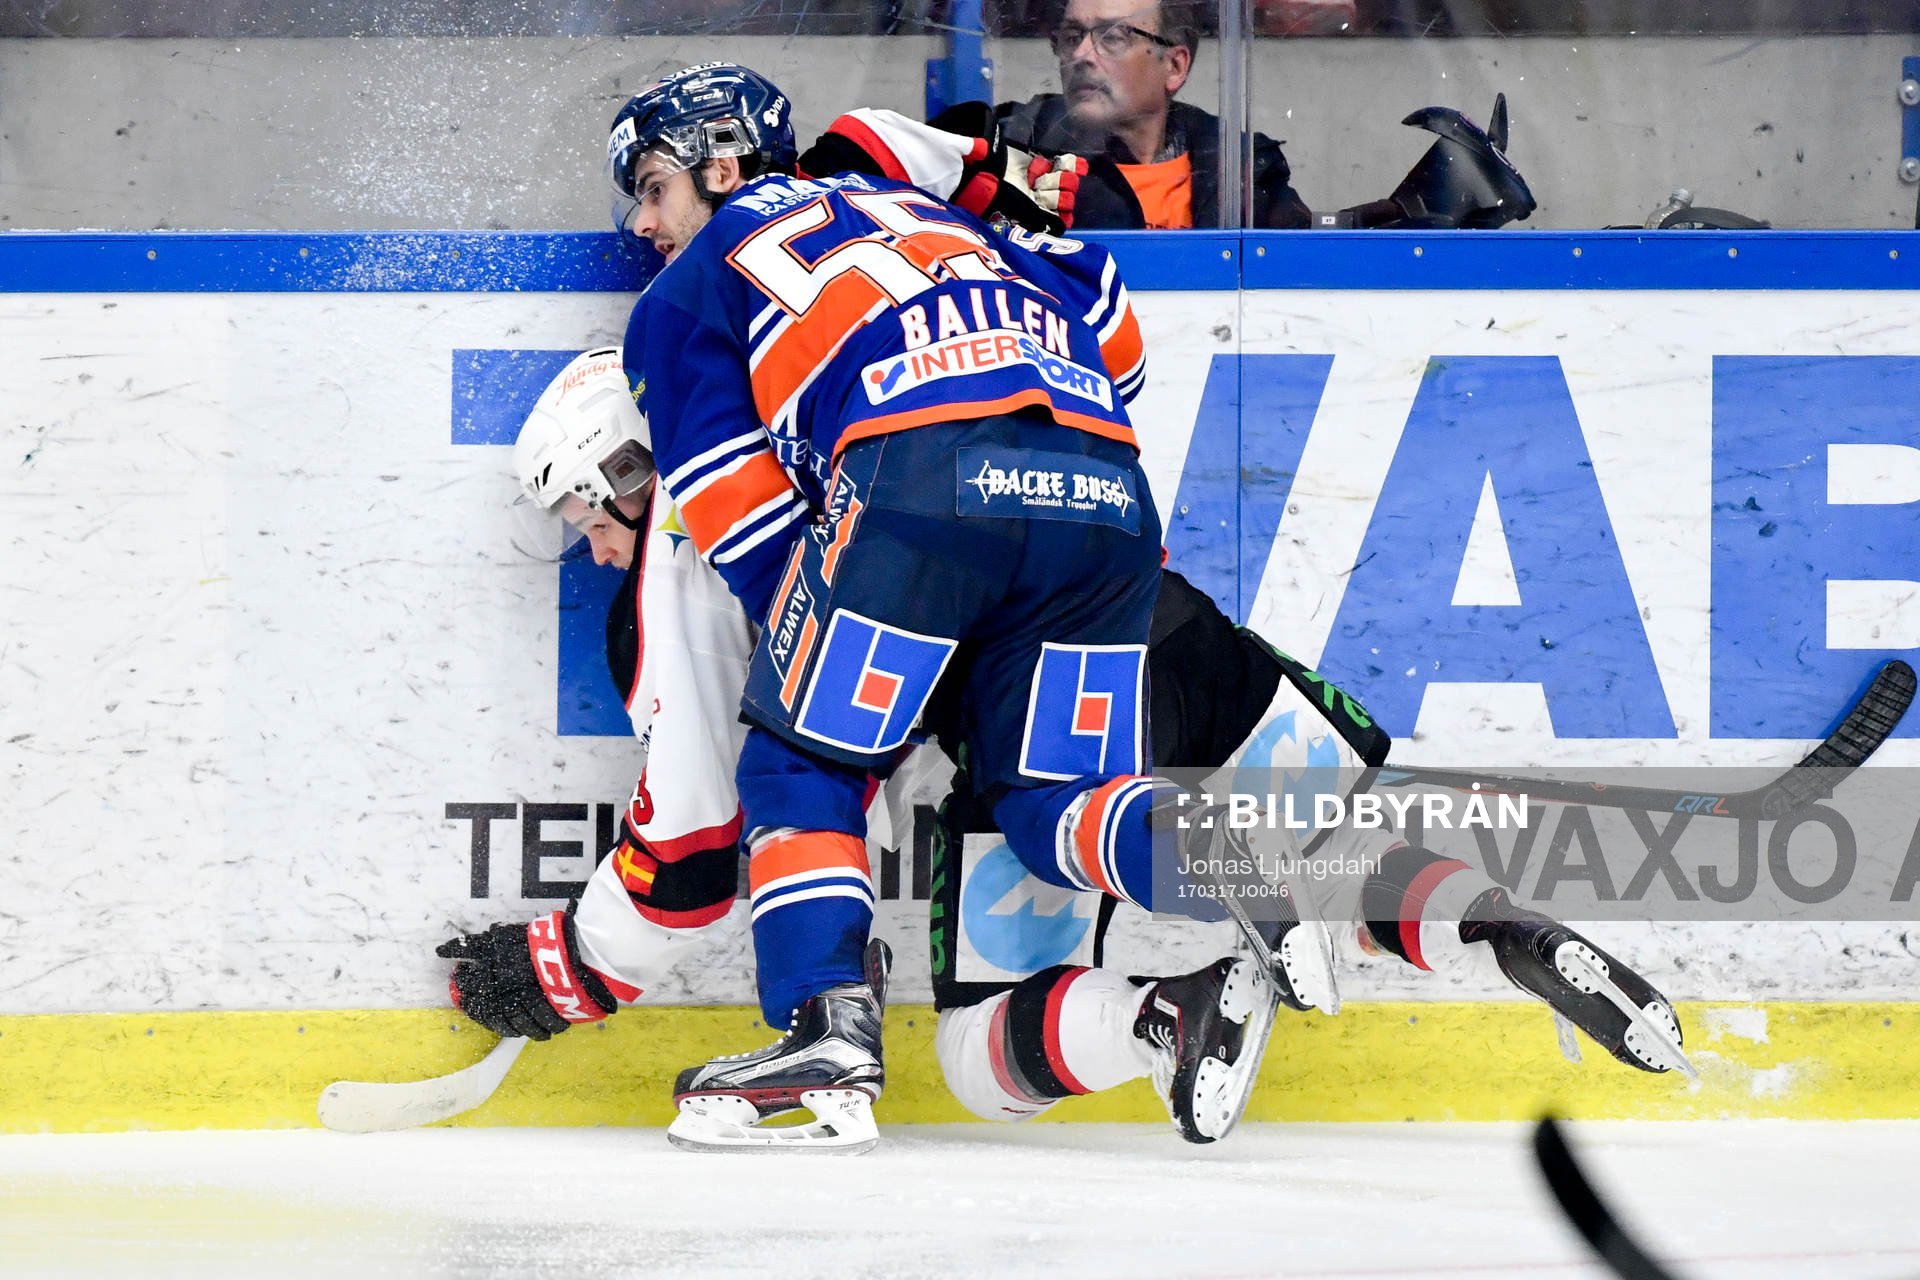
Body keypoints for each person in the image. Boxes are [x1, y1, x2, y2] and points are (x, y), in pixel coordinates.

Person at [609, 60, 1361, 1153]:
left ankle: (826, 1035)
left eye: (654, 186)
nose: (642, 220)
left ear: (721, 166)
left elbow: (752, 531)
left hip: (920, 474)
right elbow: (1110, 329)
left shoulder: (679, 300)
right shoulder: (929, 209)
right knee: (1054, 797)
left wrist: (843, 691)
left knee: (799, 754)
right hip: (1102, 487)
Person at [994, 0, 1311, 229]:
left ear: (1174, 67)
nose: (1080, 55)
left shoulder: (1241, 173)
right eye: (1072, 36)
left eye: (1112, 37)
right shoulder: (1005, 153)